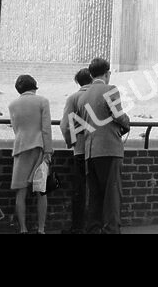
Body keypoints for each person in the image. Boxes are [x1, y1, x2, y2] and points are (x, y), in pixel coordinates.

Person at [79, 57, 130, 234]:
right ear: (107, 73)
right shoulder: (111, 89)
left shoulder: (83, 95)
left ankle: (93, 230)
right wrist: (127, 122)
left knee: (94, 196)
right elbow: (118, 115)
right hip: (109, 149)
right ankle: (111, 231)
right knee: (112, 196)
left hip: (90, 151)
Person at [8, 74, 52, 234]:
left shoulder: (12, 105)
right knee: (41, 190)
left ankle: (23, 228)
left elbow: (15, 128)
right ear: (34, 85)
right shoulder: (42, 101)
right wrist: (48, 150)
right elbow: (46, 128)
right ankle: (41, 229)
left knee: (21, 191)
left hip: (20, 148)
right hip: (39, 148)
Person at [60, 67, 93, 233]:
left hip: (80, 148)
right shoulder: (98, 95)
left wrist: (70, 141)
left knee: (79, 189)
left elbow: (65, 125)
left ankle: (78, 226)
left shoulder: (73, 98)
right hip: (98, 150)